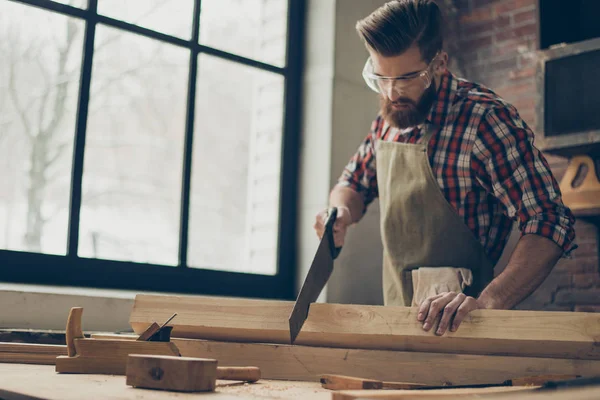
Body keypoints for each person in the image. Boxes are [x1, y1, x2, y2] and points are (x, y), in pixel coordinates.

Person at [313, 0, 576, 336]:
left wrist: (488, 303)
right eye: (380, 78)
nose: (392, 92)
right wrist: (339, 213)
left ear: (439, 64)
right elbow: (354, 182)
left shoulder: (485, 119)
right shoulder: (389, 120)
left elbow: (550, 221)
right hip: (396, 331)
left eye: (407, 78)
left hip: (467, 332)